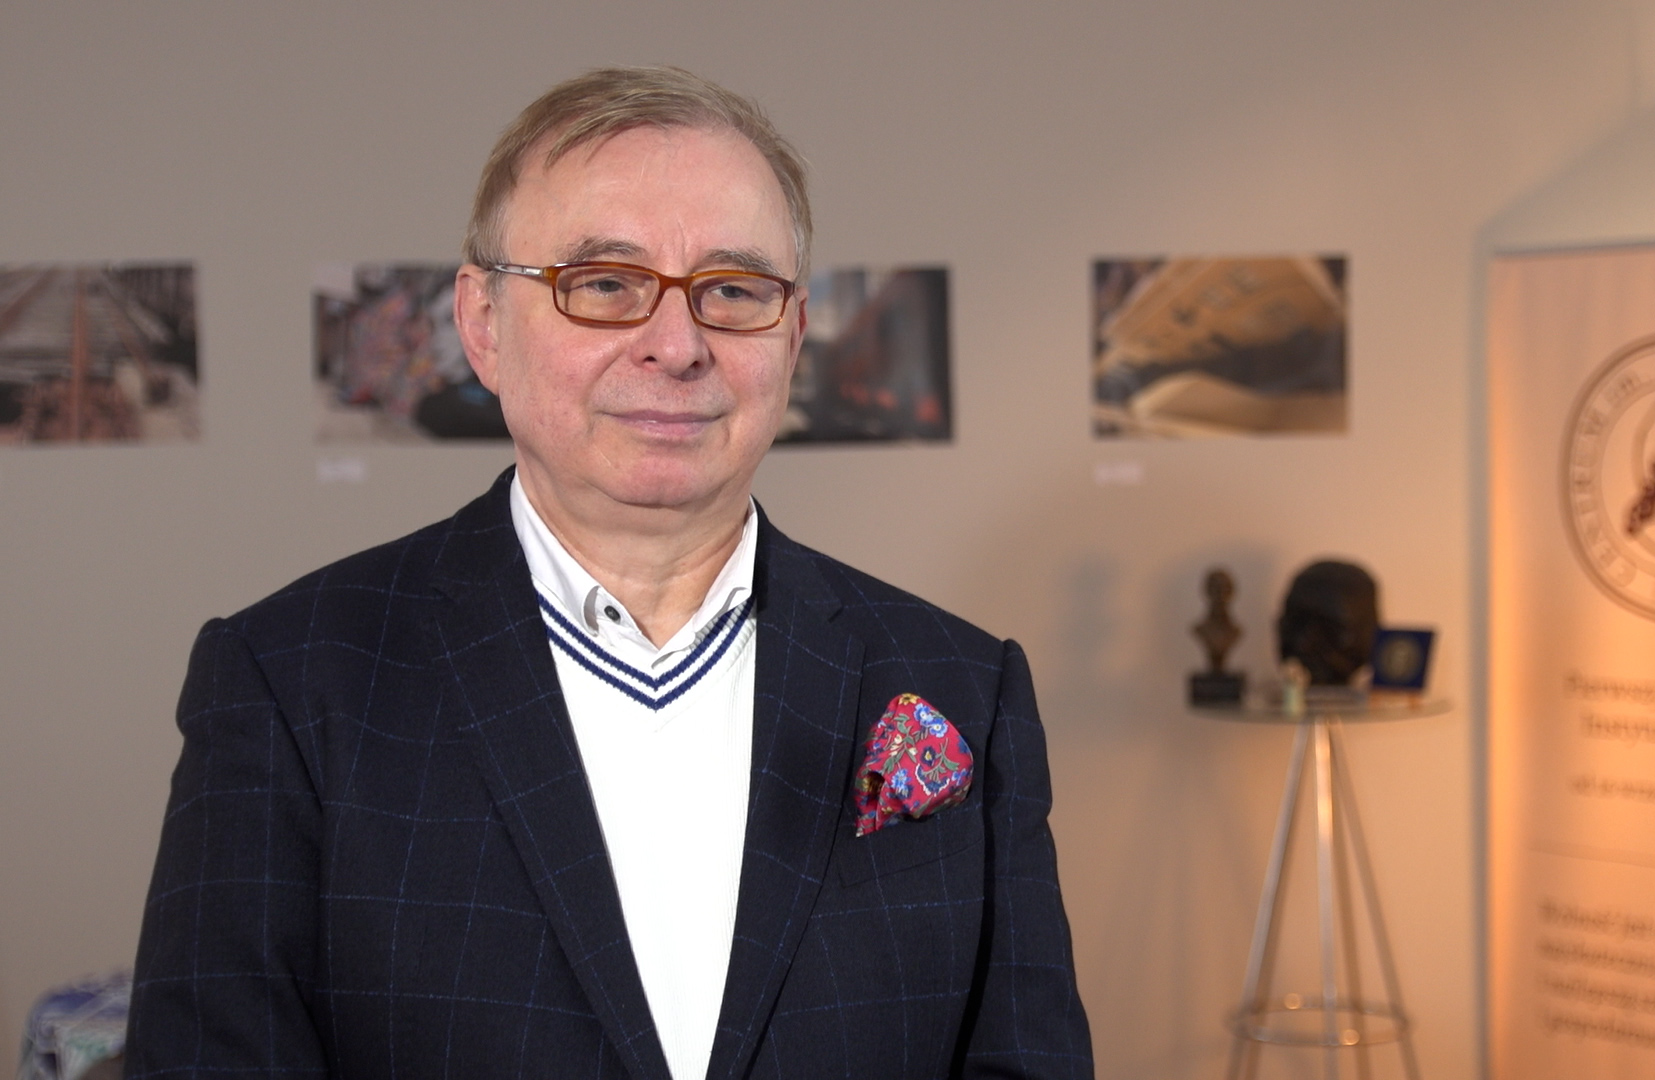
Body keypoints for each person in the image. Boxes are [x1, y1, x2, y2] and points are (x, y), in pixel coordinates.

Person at [126, 66, 1093, 1080]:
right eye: (603, 285)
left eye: (733, 291)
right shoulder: (290, 681)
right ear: (482, 324)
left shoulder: (961, 685)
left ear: (794, 335)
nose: (676, 346)